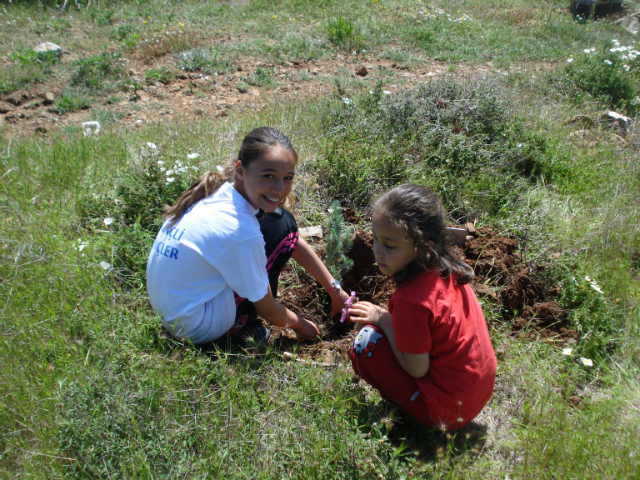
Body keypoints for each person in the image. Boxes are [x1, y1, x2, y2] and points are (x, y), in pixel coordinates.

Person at [147, 127, 350, 345]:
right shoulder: (241, 232)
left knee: (280, 222)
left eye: (287, 177)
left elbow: (290, 240)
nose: (280, 189)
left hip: (174, 311)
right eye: (269, 176)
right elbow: (269, 311)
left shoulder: (215, 193)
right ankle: (237, 330)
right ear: (241, 171)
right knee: (282, 223)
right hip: (198, 329)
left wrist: (333, 289)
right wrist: (302, 325)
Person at [347, 184, 497, 430]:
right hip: (475, 395)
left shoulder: (411, 301)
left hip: (444, 414)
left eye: (390, 245)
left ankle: (413, 414)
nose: (377, 251)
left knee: (365, 343)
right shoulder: (449, 270)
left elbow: (417, 369)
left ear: (424, 247)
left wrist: (382, 319)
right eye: (375, 238)